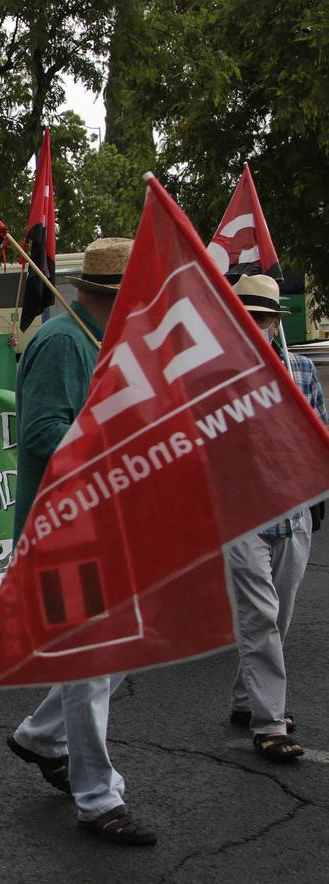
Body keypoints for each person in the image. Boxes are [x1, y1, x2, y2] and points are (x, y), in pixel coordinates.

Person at [5, 237, 157, 846]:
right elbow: (44, 436)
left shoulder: (82, 334)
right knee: (97, 661)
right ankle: (98, 799)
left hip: (91, 522)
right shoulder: (68, 339)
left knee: (118, 651)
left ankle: (41, 737)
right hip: (68, 530)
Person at [223, 273, 326, 763]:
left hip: (293, 514)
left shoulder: (301, 370)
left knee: (279, 615)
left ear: (273, 323)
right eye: (248, 318)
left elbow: (320, 435)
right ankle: (270, 722)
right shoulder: (218, 376)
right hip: (242, 515)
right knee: (261, 615)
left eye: (263, 318)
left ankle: (247, 701)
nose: (256, 326)